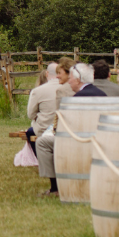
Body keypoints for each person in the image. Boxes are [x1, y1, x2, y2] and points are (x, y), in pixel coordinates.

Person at [28, 61, 68, 194]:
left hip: (47, 128)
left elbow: (30, 114)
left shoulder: (38, 90)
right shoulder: (71, 87)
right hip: (63, 127)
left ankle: (44, 165)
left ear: (46, 74)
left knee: (32, 133)